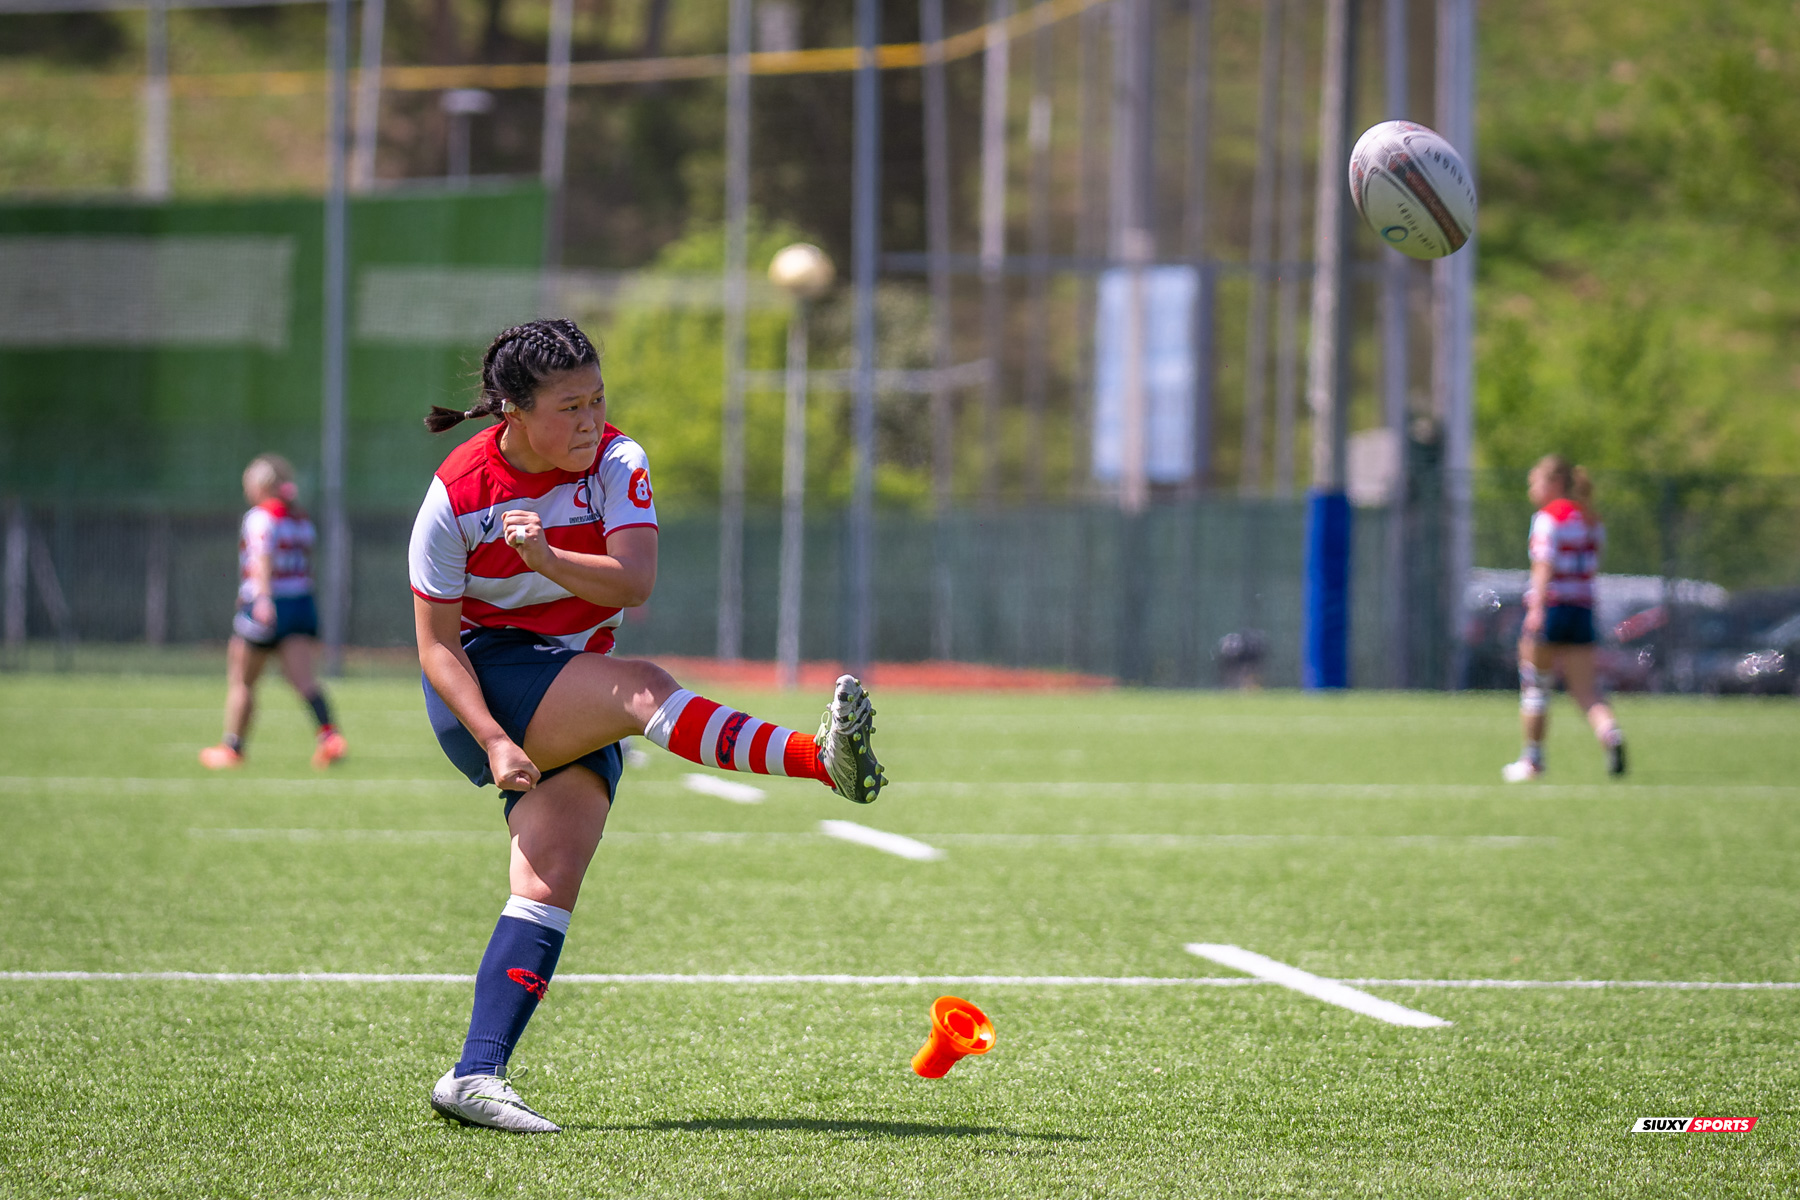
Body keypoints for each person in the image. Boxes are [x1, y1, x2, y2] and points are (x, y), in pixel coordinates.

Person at [411, 319, 885, 1133]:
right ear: (513, 411)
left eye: (598, 399)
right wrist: (492, 738)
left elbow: (633, 582)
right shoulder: (457, 493)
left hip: (571, 682)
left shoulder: (617, 462)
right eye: (569, 406)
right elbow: (436, 647)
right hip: (486, 683)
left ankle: (474, 1075)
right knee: (644, 691)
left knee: (548, 883)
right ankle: (819, 760)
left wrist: (549, 558)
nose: (591, 420)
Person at [199, 455, 348, 771]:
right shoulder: (299, 519)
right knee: (304, 680)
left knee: (242, 680)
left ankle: (232, 748)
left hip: (269, 604)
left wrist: (263, 599)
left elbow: (262, 559)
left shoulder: (260, 517)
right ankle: (330, 736)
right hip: (300, 603)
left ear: (259, 486)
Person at [1502, 454, 1625, 782]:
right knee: (1586, 690)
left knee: (1535, 686)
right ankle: (1610, 733)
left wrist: (1536, 608)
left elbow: (1544, 563)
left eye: (1535, 482)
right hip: (1582, 609)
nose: (1531, 489)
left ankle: (1532, 760)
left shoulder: (1548, 518)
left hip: (1553, 607)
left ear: (1555, 483)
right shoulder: (1590, 519)